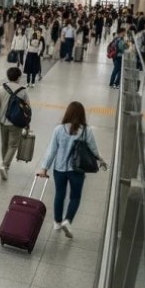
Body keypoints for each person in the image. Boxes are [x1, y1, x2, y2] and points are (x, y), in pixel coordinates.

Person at [38, 101, 108, 238]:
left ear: (68, 113)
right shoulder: (86, 131)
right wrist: (100, 159)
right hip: (77, 170)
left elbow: (52, 150)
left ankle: (57, 222)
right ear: (82, 115)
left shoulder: (59, 129)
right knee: (75, 197)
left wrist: (44, 168)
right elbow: (93, 149)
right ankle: (68, 220)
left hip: (59, 169)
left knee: (59, 194)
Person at [0, 67, 31, 181]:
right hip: (16, 123)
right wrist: (27, 124)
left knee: (4, 144)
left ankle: (5, 165)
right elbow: (27, 109)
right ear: (18, 77)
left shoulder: (1, 89)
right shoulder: (23, 90)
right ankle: (5, 166)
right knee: (13, 145)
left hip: (3, 121)